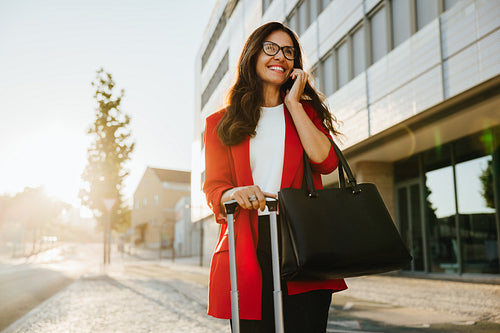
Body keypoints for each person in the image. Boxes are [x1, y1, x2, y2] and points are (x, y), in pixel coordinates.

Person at [203, 22, 347, 332]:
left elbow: (326, 162)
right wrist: (235, 193)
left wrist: (294, 104)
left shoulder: (306, 113)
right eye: (271, 47)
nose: (280, 56)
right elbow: (214, 188)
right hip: (248, 241)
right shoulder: (219, 123)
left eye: (288, 52)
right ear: (253, 54)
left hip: (302, 243)